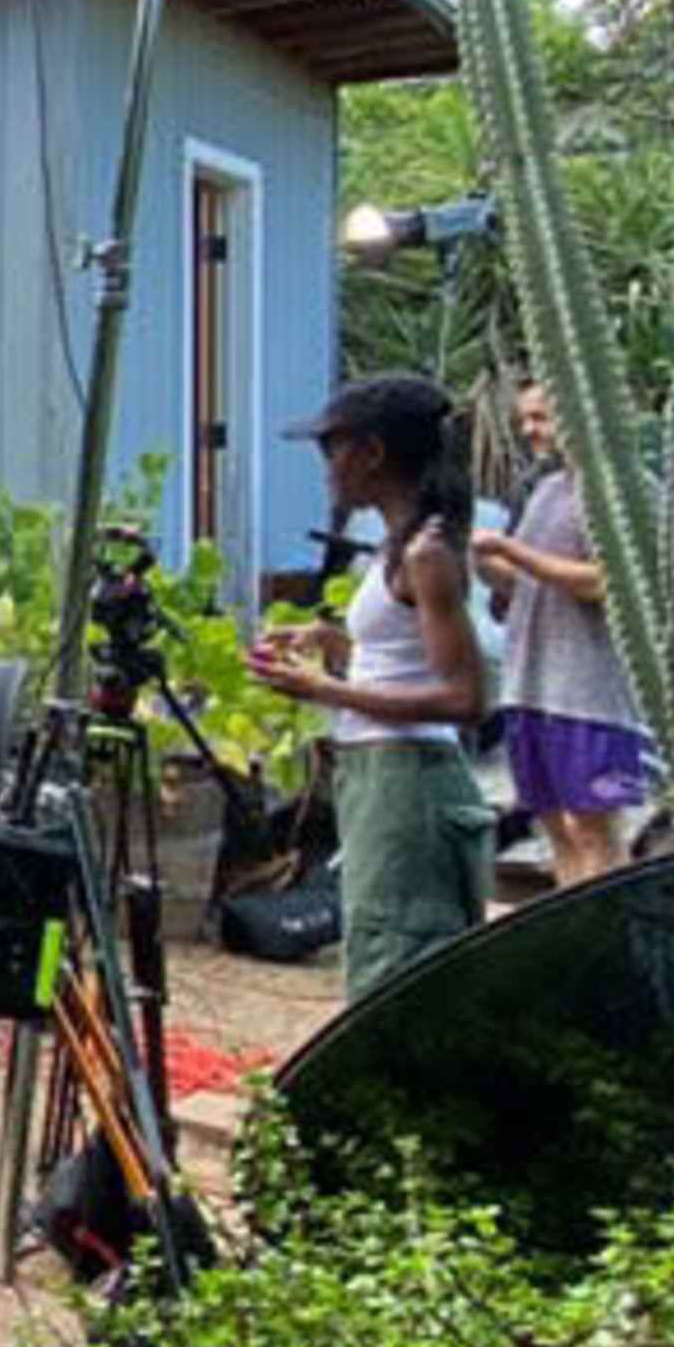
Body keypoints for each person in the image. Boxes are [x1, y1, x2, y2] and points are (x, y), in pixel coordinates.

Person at [251, 370, 492, 997]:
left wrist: (323, 690)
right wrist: (331, 645)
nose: (328, 467)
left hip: (409, 782)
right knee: (377, 945)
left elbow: (465, 698)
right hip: (380, 775)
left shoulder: (427, 553)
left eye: (332, 448)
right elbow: (404, 658)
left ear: (374, 452)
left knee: (397, 967)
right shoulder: (400, 544)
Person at [475, 379, 654, 884]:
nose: (529, 430)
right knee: (554, 825)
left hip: (588, 692)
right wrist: (484, 563)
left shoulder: (626, 492)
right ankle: (574, 930)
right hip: (529, 686)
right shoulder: (549, 490)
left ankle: (612, 937)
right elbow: (529, 582)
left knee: (594, 829)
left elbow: (604, 583)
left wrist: (511, 551)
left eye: (541, 418)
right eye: (525, 419)